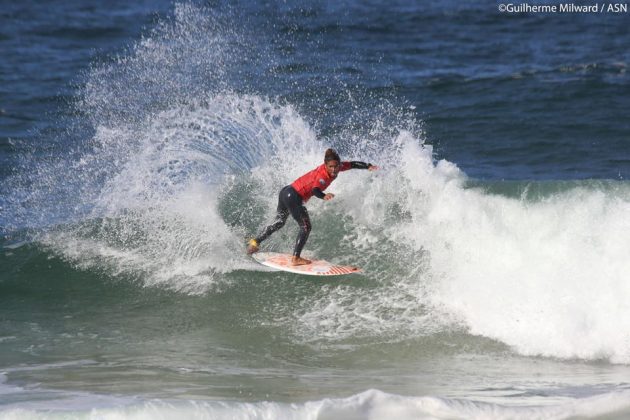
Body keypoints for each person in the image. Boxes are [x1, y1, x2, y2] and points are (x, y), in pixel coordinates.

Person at [247, 148, 378, 265]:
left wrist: (368, 166)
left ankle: (255, 242)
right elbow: (315, 190)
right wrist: (323, 196)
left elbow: (353, 164)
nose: (334, 170)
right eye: (331, 167)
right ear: (325, 165)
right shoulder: (322, 176)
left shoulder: (338, 166)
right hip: (293, 196)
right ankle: (296, 258)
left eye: (336, 166)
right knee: (305, 226)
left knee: (280, 222)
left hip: (286, 192)